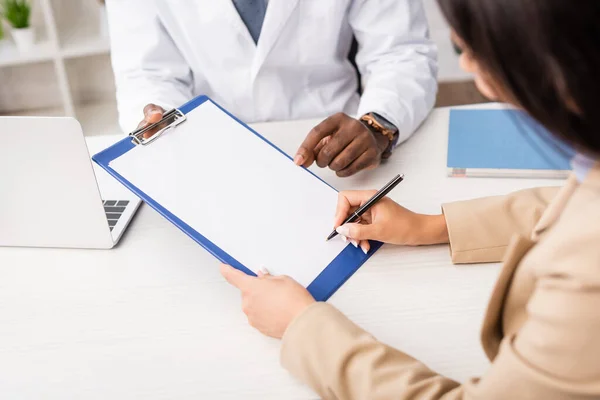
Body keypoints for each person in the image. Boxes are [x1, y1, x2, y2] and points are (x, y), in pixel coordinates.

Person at [220, 0, 600, 398]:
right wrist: (433, 226)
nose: (467, 65)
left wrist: (301, 326)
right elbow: (574, 203)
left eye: (471, 47)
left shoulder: (585, 277)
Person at [105, 0, 437, 177]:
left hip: (334, 149)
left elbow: (401, 52)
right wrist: (158, 117)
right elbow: (146, 71)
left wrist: (377, 125)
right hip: (210, 150)